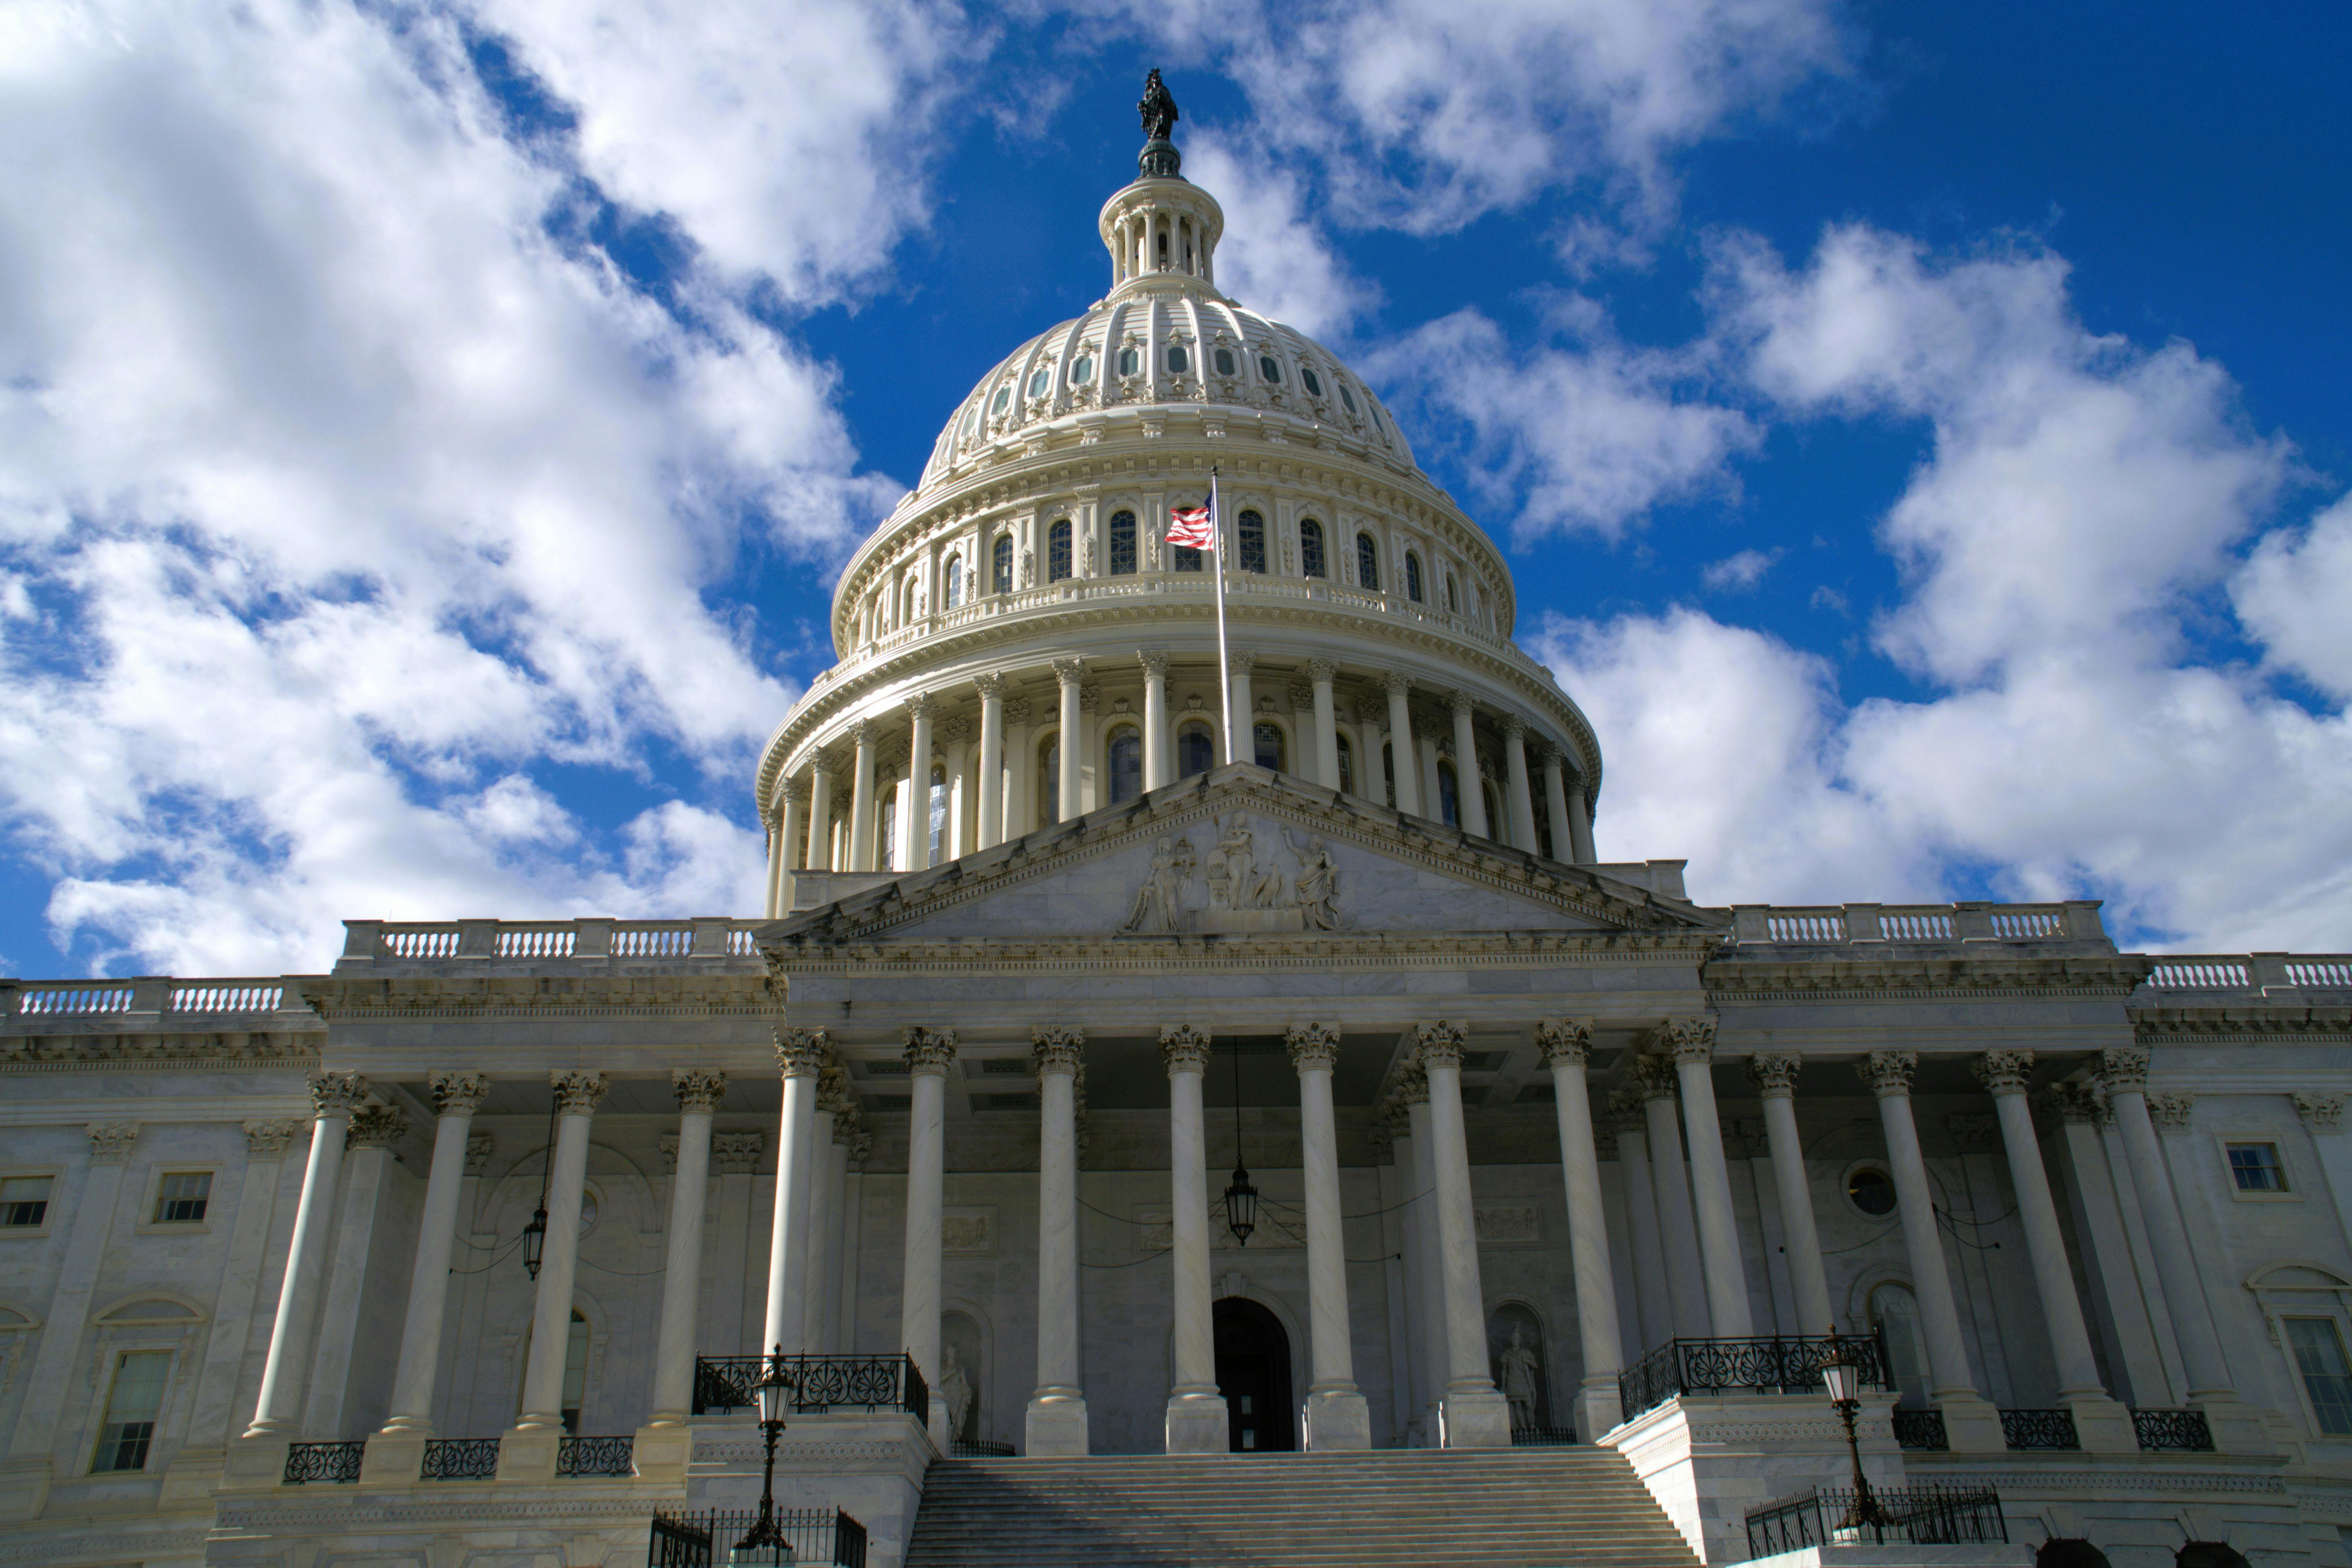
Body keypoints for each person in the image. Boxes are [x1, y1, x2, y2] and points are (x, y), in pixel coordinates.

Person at [1498, 1324, 1540, 1433]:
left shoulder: (1526, 1353)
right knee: (1517, 1405)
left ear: (1520, 1340)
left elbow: (1535, 1365)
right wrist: (1503, 1384)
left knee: (1529, 1404)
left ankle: (1532, 1425)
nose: (1515, 1341)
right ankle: (1523, 1428)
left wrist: (1528, 1361)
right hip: (1512, 1380)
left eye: (1517, 1339)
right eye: (1513, 1339)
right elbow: (1504, 1370)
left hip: (1524, 1381)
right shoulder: (1507, 1354)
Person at [938, 1342, 975, 1443]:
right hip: (946, 1394)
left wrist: (967, 1391)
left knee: (954, 1417)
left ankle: (952, 1440)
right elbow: (939, 1380)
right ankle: (945, 1440)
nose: (953, 1353)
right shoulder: (943, 1367)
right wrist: (950, 1373)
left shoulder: (960, 1368)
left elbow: (964, 1384)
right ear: (948, 1352)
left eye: (955, 1351)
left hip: (957, 1395)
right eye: (951, 1351)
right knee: (946, 1415)